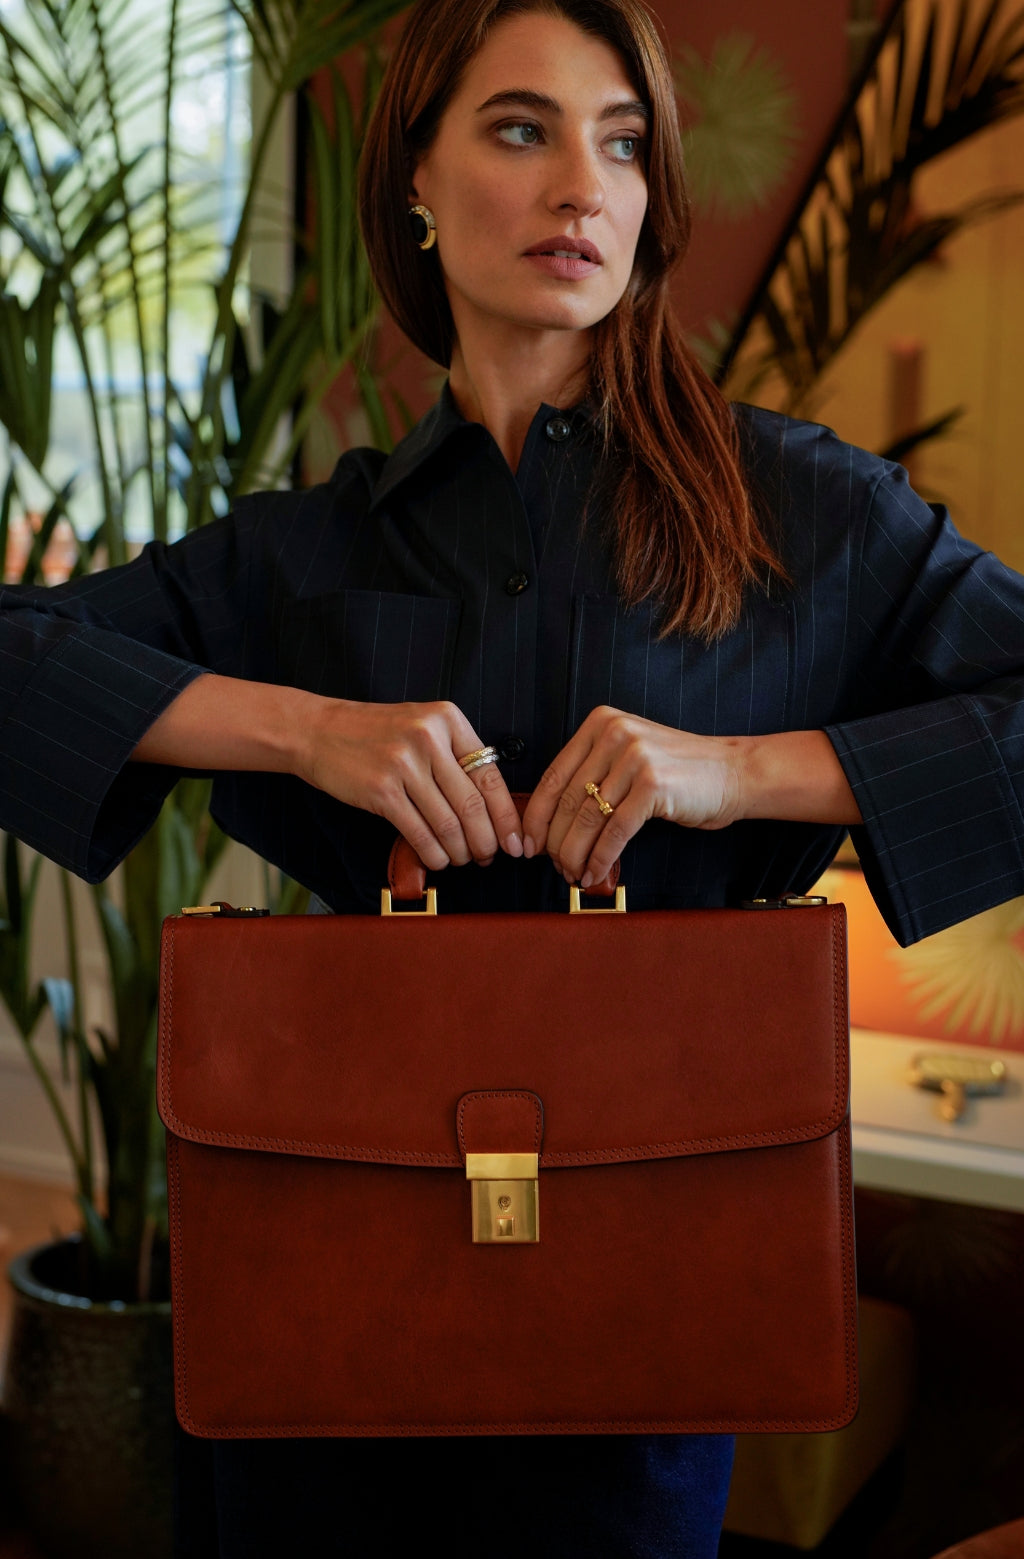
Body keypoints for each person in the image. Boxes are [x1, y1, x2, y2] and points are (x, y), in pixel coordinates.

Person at [2, 0, 1024, 1551]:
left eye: (623, 144)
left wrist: (735, 773)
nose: (581, 187)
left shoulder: (804, 514)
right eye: (522, 129)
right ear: (416, 178)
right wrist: (302, 727)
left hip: (645, 1296)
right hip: (332, 1269)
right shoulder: (304, 552)